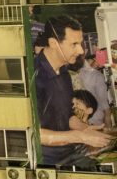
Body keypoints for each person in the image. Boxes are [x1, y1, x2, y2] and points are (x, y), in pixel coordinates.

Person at [35, 16, 112, 166]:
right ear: (53, 43)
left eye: (81, 43)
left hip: (69, 153)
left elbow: (67, 116)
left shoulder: (64, 73)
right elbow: (35, 134)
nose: (81, 50)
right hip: (47, 163)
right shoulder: (33, 76)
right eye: (74, 44)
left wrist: (86, 129)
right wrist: (81, 137)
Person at [74, 54, 112, 128]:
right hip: (94, 122)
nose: (100, 65)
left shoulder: (67, 74)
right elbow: (105, 107)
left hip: (75, 123)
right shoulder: (96, 75)